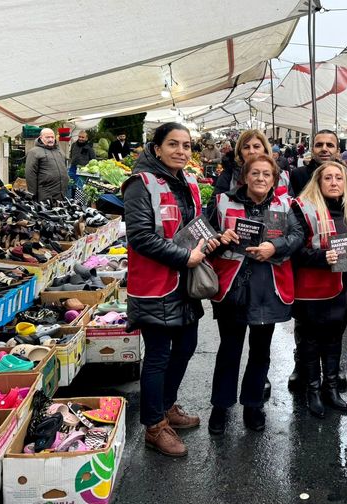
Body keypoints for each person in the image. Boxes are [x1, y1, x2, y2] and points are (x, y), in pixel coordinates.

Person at [122, 122, 215, 458]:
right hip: (155, 285)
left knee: (187, 345)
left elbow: (193, 226)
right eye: (173, 144)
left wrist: (210, 241)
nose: (181, 151)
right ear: (157, 147)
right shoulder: (139, 184)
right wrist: (185, 257)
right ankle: (153, 425)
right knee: (159, 355)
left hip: (184, 284)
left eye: (187, 145)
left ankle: (165, 405)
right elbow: (140, 237)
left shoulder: (188, 182)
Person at [206, 153, 303, 435]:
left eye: (267, 174)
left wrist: (276, 247)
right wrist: (218, 237)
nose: (261, 179)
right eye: (255, 173)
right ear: (244, 176)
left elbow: (297, 236)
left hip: (268, 286)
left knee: (261, 351)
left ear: (274, 178)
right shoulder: (224, 201)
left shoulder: (285, 204)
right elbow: (205, 230)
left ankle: (252, 403)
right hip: (233, 285)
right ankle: (221, 406)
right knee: (229, 349)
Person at [291, 161, 347, 418]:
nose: (333, 182)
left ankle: (331, 389)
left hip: (343, 288)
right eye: (327, 178)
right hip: (313, 289)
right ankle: (313, 390)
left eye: (338, 178)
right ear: (318, 182)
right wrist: (321, 257)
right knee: (309, 343)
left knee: (333, 341)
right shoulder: (302, 208)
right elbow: (293, 250)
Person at [290, 129, 347, 203]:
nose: (324, 149)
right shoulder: (298, 174)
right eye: (319, 145)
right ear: (312, 150)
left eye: (330, 145)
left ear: (338, 152)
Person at [214, 129, 290, 198]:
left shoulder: (281, 176)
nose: (251, 151)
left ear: (265, 150)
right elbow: (214, 206)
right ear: (240, 152)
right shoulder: (229, 174)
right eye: (246, 147)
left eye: (256, 146)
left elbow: (291, 208)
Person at [25, 128, 67, 202]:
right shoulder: (34, 152)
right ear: (41, 138)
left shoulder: (59, 151)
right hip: (45, 194)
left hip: (61, 193)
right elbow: (30, 174)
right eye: (47, 137)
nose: (50, 139)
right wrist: (33, 195)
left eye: (52, 137)